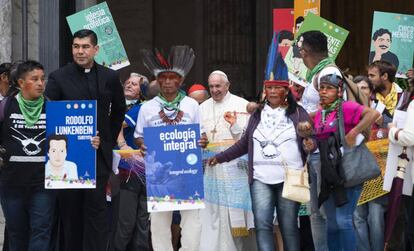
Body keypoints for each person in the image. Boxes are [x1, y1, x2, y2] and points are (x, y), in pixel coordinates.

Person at [208, 77, 314, 251]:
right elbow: (244, 144)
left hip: (290, 178)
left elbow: (310, 138)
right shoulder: (257, 114)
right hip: (260, 178)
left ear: (286, 91)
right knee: (262, 226)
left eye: (276, 88)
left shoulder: (297, 113)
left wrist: (309, 143)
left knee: (288, 228)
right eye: (269, 88)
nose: (272, 92)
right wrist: (220, 157)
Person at [45, 29, 125, 251]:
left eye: (85, 47)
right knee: (70, 217)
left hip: (97, 159)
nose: (80, 51)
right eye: (76, 46)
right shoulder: (58, 77)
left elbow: (119, 110)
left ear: (96, 49)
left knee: (97, 217)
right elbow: (51, 115)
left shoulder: (110, 77)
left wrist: (105, 138)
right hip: (66, 160)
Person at [135, 45, 208, 251]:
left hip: (188, 172)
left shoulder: (192, 105)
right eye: (163, 78)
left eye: (172, 78)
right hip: (159, 173)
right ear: (157, 81)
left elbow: (201, 134)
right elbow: (139, 136)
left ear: (181, 81)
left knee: (192, 223)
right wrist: (143, 145)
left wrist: (203, 141)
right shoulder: (147, 108)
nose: (167, 82)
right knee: (159, 224)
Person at [303, 71, 380, 251]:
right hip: (328, 173)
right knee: (331, 223)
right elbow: (318, 139)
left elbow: (373, 114)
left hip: (348, 171)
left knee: (343, 220)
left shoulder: (345, 107)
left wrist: (354, 132)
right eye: (321, 88)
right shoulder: (321, 113)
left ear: (339, 91)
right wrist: (310, 143)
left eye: (329, 88)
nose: (323, 92)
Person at [199, 70, 255, 251]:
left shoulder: (242, 105)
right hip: (211, 170)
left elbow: (249, 139)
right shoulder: (201, 108)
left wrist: (235, 126)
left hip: (235, 169)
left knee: (234, 216)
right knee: (212, 214)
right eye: (211, 86)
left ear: (227, 85)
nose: (215, 90)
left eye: (218, 86)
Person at [0, 60, 52, 250]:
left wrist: (90, 142)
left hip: (43, 185)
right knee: (16, 233)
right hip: (11, 184)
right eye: (34, 79)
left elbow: (69, 138)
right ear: (21, 83)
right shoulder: (5, 107)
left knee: (41, 231)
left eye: (42, 79)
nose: (40, 83)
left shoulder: (52, 108)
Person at [110, 72, 148, 251]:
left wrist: (122, 143)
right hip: (130, 169)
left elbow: (118, 123)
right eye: (127, 82)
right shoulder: (124, 105)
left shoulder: (140, 107)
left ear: (143, 91)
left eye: (134, 84)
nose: (129, 85)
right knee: (136, 221)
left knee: (129, 221)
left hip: (132, 170)